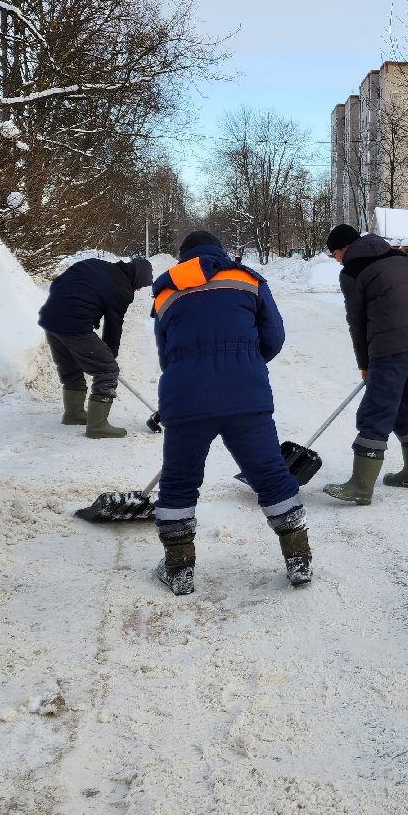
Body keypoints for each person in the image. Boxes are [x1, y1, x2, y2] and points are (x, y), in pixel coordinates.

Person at [148, 230, 312, 594]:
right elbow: (275, 337)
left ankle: (179, 570)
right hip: (245, 396)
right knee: (270, 475)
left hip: (186, 398)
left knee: (178, 482)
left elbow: (166, 354)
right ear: (220, 252)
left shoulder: (166, 293)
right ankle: (298, 559)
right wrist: (244, 364)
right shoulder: (247, 279)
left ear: (182, 258)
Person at [322, 224, 408, 506]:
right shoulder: (396, 257)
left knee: (376, 411)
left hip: (386, 348)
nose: (336, 259)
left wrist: (364, 362)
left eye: (335, 253)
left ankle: (360, 487)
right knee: (406, 408)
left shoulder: (352, 271)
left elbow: (357, 322)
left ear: (345, 248)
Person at [38, 254, 152, 438]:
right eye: (140, 285)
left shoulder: (94, 264)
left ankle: (73, 414)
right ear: (136, 278)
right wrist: (108, 357)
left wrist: (64, 305)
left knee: (71, 367)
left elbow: (57, 282)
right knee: (107, 370)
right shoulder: (123, 289)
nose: (138, 289)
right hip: (75, 326)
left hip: (50, 319)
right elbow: (114, 325)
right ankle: (97, 426)